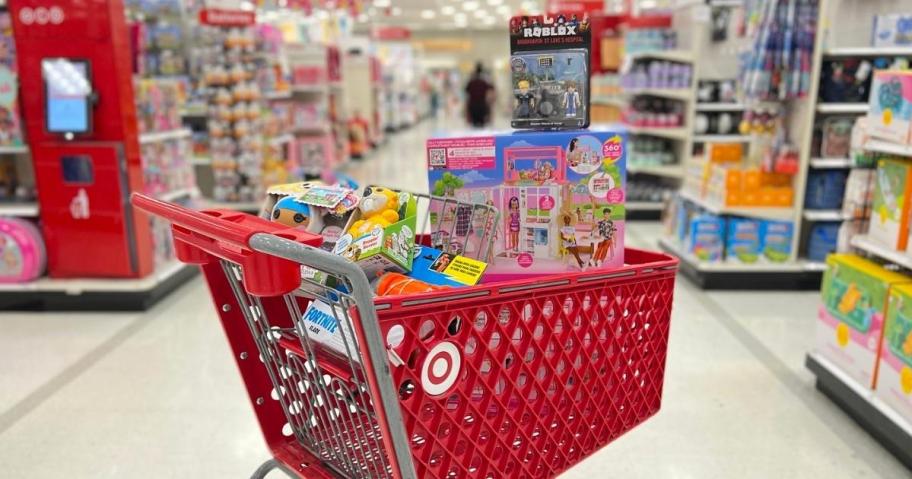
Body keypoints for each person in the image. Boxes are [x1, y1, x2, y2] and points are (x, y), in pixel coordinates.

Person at [465, 62, 494, 127]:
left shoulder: (471, 81)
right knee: (482, 124)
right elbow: (491, 88)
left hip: (473, 104)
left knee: (474, 124)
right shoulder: (484, 80)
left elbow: (466, 90)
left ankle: (475, 136)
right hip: (481, 104)